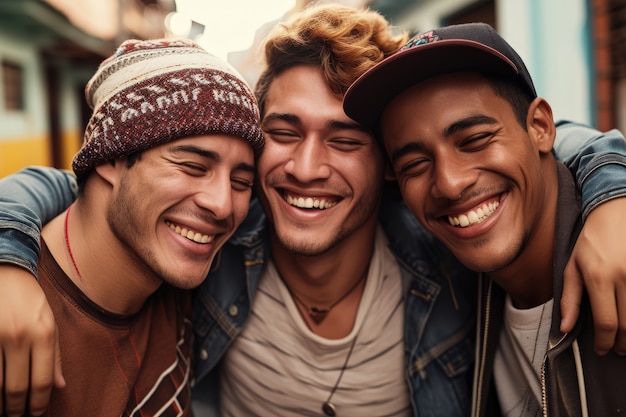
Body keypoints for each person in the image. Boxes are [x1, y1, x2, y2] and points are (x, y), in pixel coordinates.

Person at [1, 4, 626, 417]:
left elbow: (527, 146)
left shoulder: (447, 251)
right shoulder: (215, 241)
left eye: (345, 139)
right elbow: (90, 185)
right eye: (283, 131)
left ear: (386, 163)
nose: (305, 168)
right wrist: (8, 251)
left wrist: (609, 187)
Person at [343, 22, 626, 416]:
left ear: (540, 128)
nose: (450, 184)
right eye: (415, 164)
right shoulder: (455, 285)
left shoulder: (618, 257)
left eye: (474, 141)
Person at [0, 37, 264, 417]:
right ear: (111, 159)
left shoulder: (192, 275)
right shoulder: (16, 323)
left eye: (241, 182)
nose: (222, 205)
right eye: (192, 166)